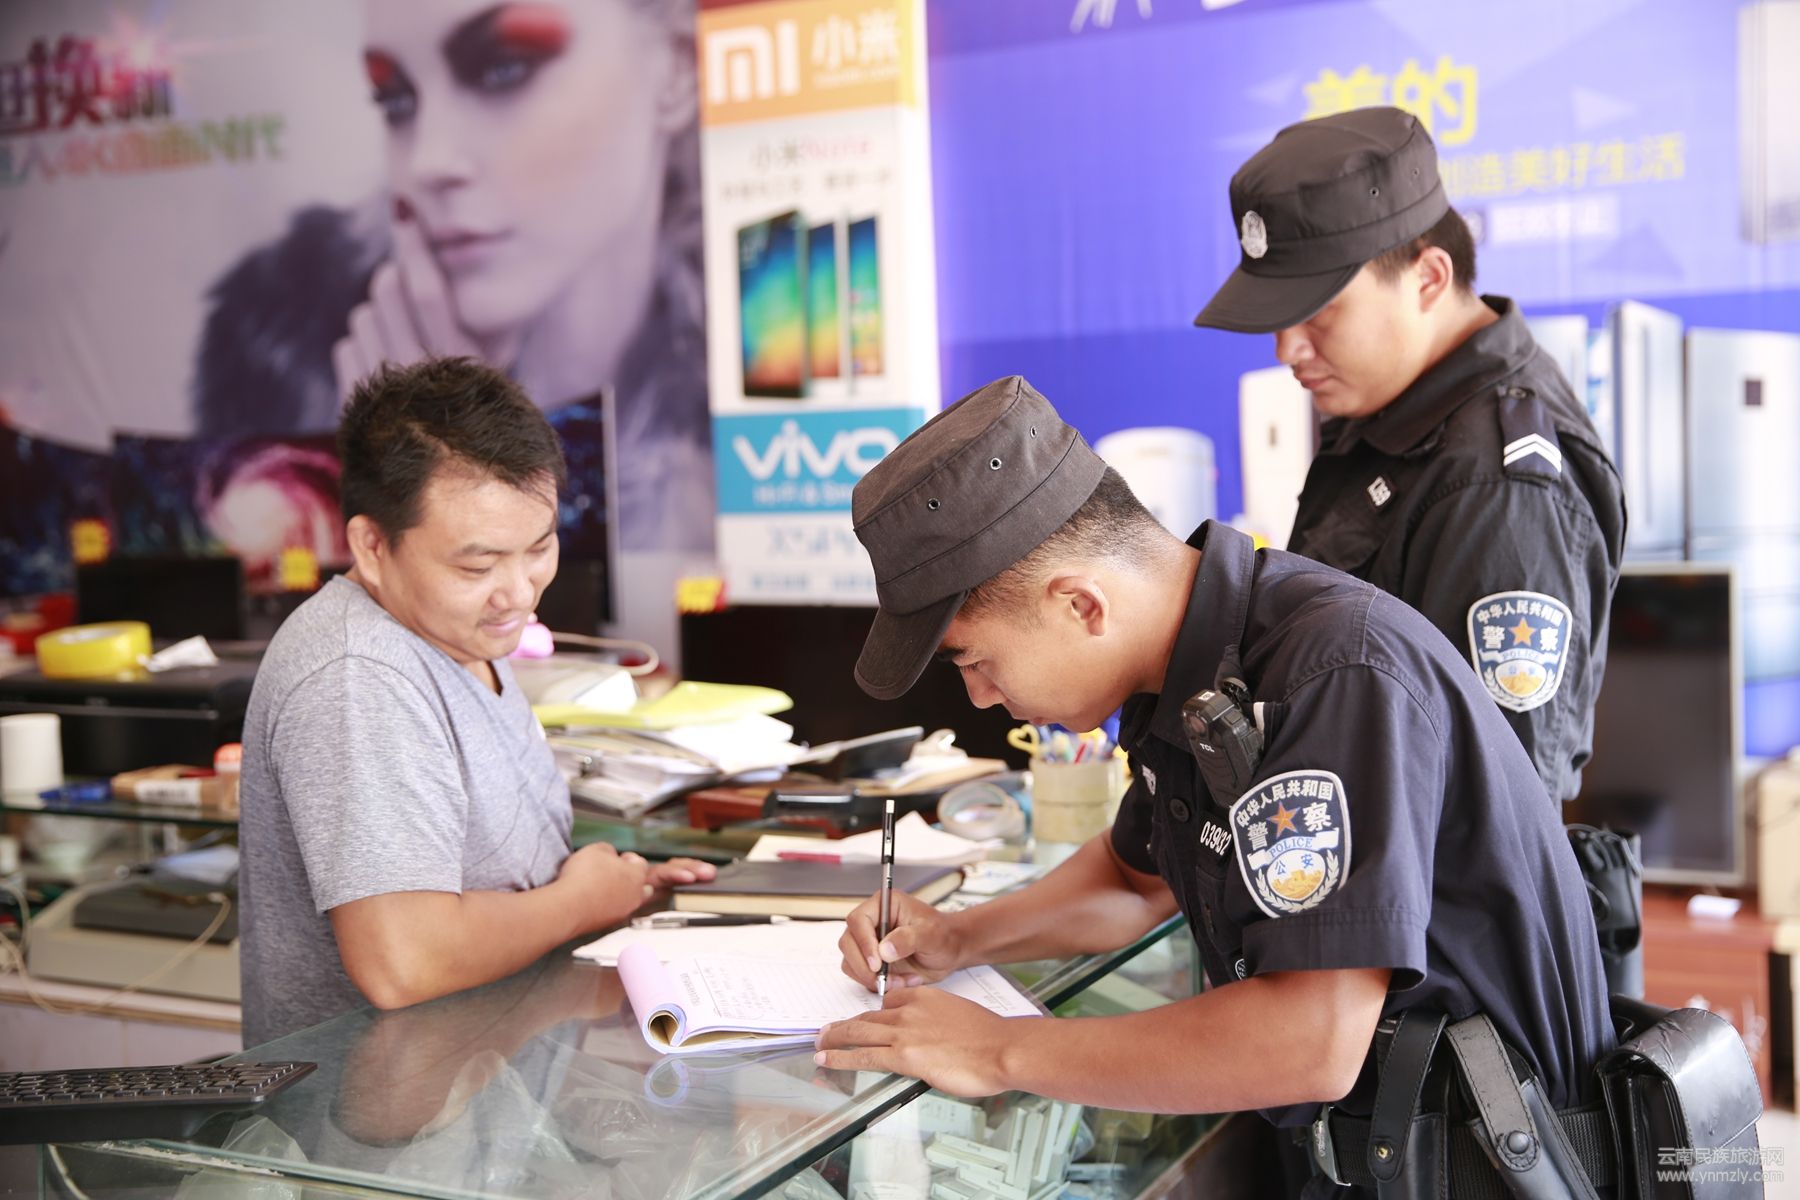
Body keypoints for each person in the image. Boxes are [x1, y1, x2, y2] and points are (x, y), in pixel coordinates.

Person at [816, 376, 1613, 1196]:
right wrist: (960, 938)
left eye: (976, 661)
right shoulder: (1191, 671)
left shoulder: (1330, 673)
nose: (981, 696)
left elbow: (1309, 1041)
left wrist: (998, 1050)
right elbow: (1133, 880)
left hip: (1491, 1166)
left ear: (1082, 605)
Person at [236, 357, 713, 1045]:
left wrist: (618, 889)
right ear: (372, 546)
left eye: (539, 549)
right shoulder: (359, 676)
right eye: (477, 565)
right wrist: (578, 903)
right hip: (377, 1106)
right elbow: (405, 960)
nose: (518, 592)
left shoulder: (457, 633)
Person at [193, 0, 714, 559]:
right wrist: (388, 472)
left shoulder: (747, 352)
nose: (428, 161)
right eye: (396, 100)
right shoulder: (281, 345)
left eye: (504, 69)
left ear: (675, 72)